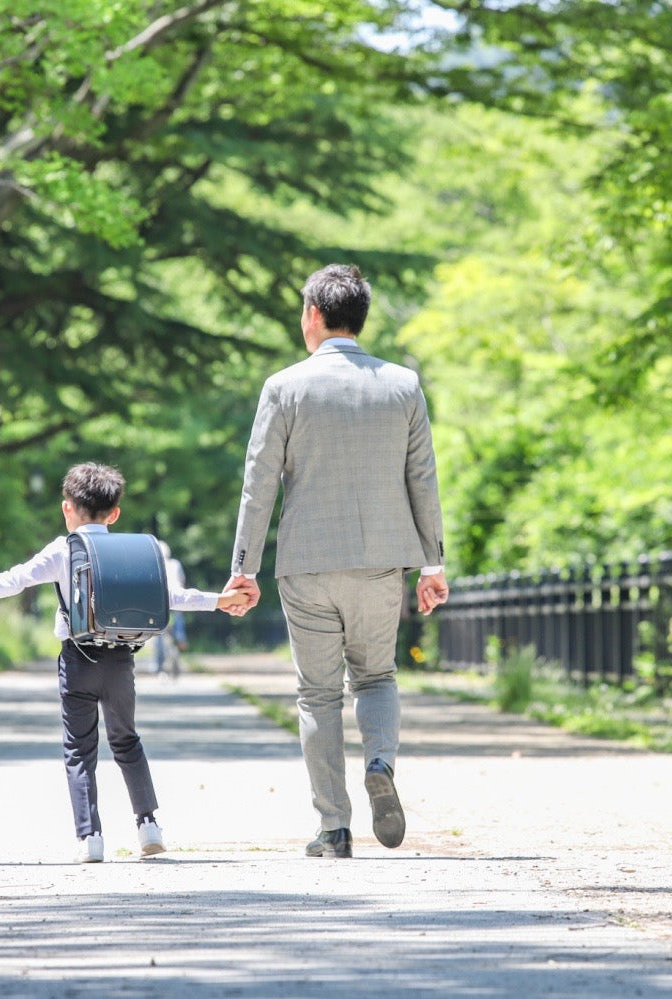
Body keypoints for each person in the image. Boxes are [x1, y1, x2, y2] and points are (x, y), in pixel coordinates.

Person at [228, 264, 449, 859]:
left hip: (306, 563)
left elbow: (259, 482)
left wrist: (243, 567)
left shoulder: (285, 387)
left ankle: (334, 828)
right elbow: (422, 478)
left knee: (317, 695)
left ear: (312, 316)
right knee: (376, 676)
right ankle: (379, 760)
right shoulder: (402, 384)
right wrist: (433, 564)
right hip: (383, 562)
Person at [0, 462, 248, 863]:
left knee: (79, 748)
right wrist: (220, 601)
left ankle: (91, 838)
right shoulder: (133, 550)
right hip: (121, 659)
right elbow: (170, 597)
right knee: (127, 740)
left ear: (67, 508)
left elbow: (15, 579)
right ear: (115, 513)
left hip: (78, 658)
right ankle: (148, 826)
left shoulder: (62, 549)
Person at [149, 542, 189, 677]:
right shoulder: (175, 564)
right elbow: (182, 581)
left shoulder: (154, 566)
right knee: (178, 623)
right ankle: (181, 640)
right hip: (177, 600)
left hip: (161, 602)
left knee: (159, 633)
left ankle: (159, 665)